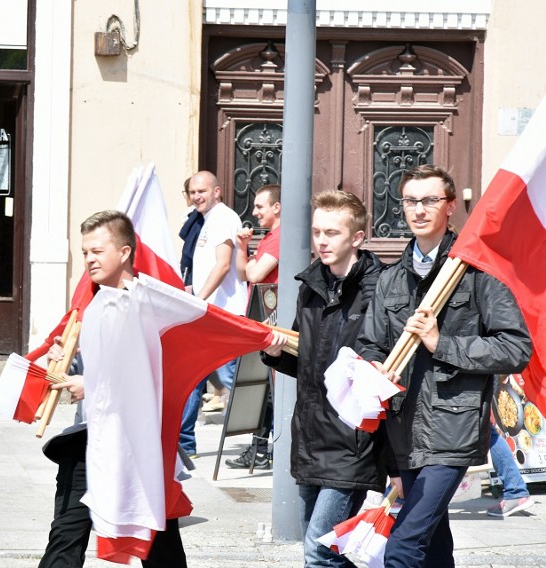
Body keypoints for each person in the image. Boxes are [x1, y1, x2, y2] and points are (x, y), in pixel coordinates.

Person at [357, 164, 532, 568]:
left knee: (403, 547)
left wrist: (442, 343)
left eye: (430, 200)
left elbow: (514, 348)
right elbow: (370, 343)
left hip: (452, 429)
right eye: (411, 201)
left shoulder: (477, 273)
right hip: (403, 431)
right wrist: (375, 366)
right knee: (434, 546)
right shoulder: (390, 279)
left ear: (450, 205)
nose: (418, 210)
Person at [38, 210, 186, 568]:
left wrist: (95, 385)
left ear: (123, 253)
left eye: (97, 251)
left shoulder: (150, 304)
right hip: (91, 437)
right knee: (66, 534)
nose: (88, 259)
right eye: (85, 251)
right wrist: (64, 355)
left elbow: (156, 371)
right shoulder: (94, 303)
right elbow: (89, 361)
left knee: (157, 539)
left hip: (139, 442)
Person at [261, 190, 387, 567]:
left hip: (353, 442)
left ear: (357, 237)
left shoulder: (379, 289)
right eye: (317, 232)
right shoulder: (311, 287)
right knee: (335, 552)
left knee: (319, 552)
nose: (322, 241)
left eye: (332, 233)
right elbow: (306, 366)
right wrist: (275, 353)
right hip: (311, 437)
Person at [179, 171, 245, 456]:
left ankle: (267, 437)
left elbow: (223, 265)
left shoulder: (224, 218)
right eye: (193, 192)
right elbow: (207, 267)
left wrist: (199, 299)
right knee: (192, 376)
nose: (197, 197)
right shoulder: (203, 220)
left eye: (202, 191)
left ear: (217, 191)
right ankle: (184, 443)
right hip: (206, 311)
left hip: (222, 314)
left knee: (233, 378)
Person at [226, 184, 281, 469]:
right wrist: (243, 247)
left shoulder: (279, 237)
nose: (255, 212)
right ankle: (259, 448)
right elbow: (241, 273)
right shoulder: (269, 237)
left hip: (272, 323)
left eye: (260, 206)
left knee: (269, 391)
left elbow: (255, 274)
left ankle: (263, 449)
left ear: (277, 207)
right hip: (261, 320)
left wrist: (250, 263)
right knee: (263, 390)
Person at [487, 376, 532, 517]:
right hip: (476, 375)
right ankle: (515, 490)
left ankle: (515, 491)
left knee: (485, 431)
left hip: (472, 378)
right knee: (484, 431)